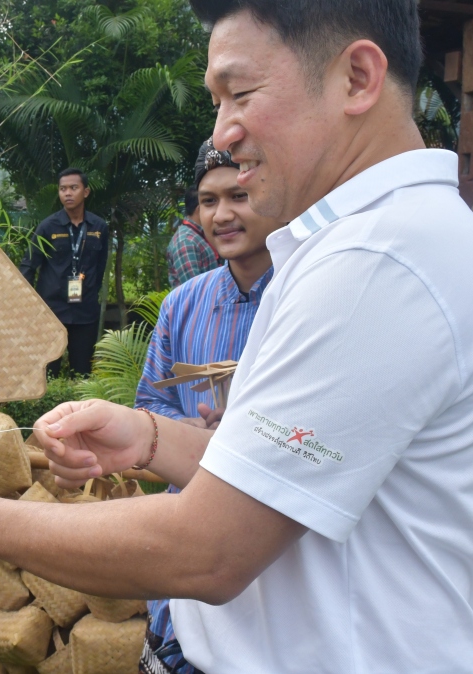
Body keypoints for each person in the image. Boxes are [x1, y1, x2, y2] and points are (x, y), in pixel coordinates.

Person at [0, 1, 473, 673]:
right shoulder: (378, 243)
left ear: (357, 78)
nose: (225, 132)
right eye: (218, 102)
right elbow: (288, 483)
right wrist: (152, 437)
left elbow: (211, 548)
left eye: (240, 94)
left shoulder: (379, 263)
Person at [137, 137, 281, 674]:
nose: (222, 214)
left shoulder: (305, 297)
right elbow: (150, 402)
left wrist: (249, 428)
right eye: (208, 200)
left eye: (237, 196)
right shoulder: (183, 304)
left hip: (273, 561)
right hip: (185, 546)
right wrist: (194, 434)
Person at [19, 168, 109, 376]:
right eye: (62, 189)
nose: (67, 193)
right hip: (52, 312)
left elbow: (100, 266)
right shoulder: (47, 227)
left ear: (85, 192)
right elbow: (28, 267)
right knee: (48, 372)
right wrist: (29, 307)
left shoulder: (98, 227)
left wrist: (90, 293)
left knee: (83, 372)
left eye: (73, 188)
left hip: (85, 311)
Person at [165, 148, 223, 288]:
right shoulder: (186, 241)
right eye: (210, 202)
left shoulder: (199, 235)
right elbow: (194, 290)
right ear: (199, 209)